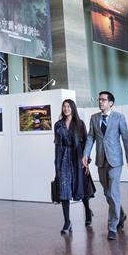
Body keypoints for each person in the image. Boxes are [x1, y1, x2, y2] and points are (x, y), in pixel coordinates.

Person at [82, 90, 128, 240]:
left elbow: (126, 138)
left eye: (103, 100)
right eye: (99, 99)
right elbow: (91, 137)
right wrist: (86, 154)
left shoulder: (119, 117)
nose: (100, 102)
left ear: (111, 103)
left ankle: (112, 227)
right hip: (100, 159)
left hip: (115, 160)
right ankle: (121, 214)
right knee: (106, 192)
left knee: (113, 192)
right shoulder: (94, 118)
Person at [54, 98, 93, 234]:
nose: (66, 109)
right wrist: (56, 164)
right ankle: (67, 222)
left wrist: (87, 161)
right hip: (64, 158)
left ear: (73, 108)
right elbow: (57, 145)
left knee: (81, 187)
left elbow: (86, 144)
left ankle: (88, 211)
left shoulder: (80, 124)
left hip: (78, 158)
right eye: (64, 106)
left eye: (69, 106)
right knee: (64, 189)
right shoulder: (58, 125)